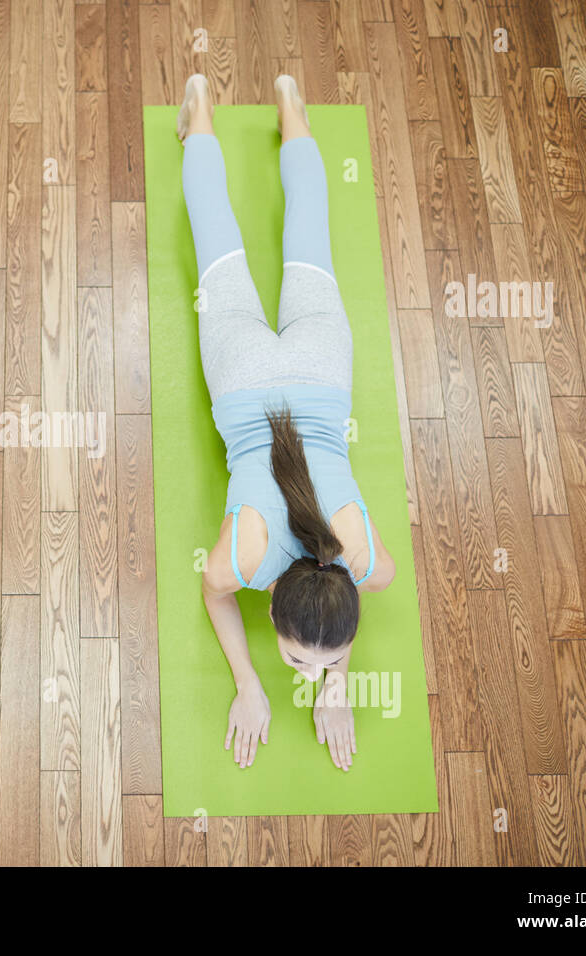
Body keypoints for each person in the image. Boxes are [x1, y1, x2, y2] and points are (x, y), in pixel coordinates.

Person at [177, 73, 396, 772]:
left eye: (308, 661)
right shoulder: (240, 561)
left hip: (320, 370)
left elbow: (348, 597)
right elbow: (214, 598)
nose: (307, 672)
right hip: (243, 383)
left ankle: (289, 104)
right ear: (270, 608)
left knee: (309, 233)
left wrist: (334, 683)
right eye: (306, 658)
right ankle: (202, 107)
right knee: (215, 239)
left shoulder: (365, 562)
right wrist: (250, 684)